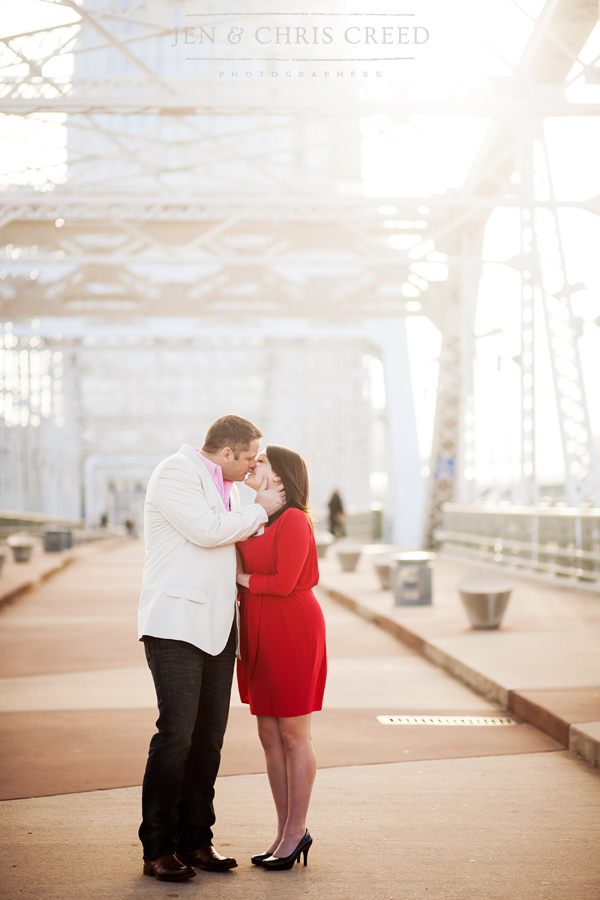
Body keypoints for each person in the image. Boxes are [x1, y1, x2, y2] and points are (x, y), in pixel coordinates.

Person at [137, 415, 285, 882]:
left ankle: (197, 840)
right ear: (226, 453)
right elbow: (206, 530)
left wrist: (257, 511)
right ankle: (159, 848)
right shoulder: (175, 473)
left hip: (219, 628)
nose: (251, 467)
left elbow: (237, 536)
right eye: (248, 458)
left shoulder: (233, 489)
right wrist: (261, 508)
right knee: (176, 735)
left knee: (208, 740)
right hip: (176, 625)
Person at [236, 445, 327, 871]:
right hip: (259, 627)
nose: (254, 465)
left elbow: (286, 580)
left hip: (292, 628)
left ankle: (297, 830)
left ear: (280, 476)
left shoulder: (293, 519)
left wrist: (242, 578)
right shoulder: (256, 518)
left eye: (262, 462)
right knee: (269, 737)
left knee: (294, 735)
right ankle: (282, 831)